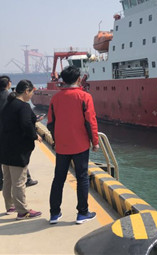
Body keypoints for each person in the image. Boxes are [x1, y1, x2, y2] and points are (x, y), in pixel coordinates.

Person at [47, 65, 99, 225]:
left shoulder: (55, 98)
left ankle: (54, 214)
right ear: (78, 79)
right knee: (82, 178)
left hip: (62, 145)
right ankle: (82, 213)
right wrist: (95, 142)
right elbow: (90, 121)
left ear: (63, 80)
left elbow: (50, 123)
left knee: (58, 178)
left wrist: (56, 140)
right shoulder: (85, 97)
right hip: (80, 144)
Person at [0, 76, 39, 191]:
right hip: (8, 132)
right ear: (8, 84)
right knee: (18, 156)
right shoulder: (11, 97)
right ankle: (26, 179)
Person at [0, 80, 42, 219]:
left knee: (8, 179)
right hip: (18, 148)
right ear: (26, 91)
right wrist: (35, 135)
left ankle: (10, 206)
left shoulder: (8, 104)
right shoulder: (23, 106)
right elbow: (26, 123)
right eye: (32, 92)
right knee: (19, 181)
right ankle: (22, 210)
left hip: (5, 146)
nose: (31, 95)